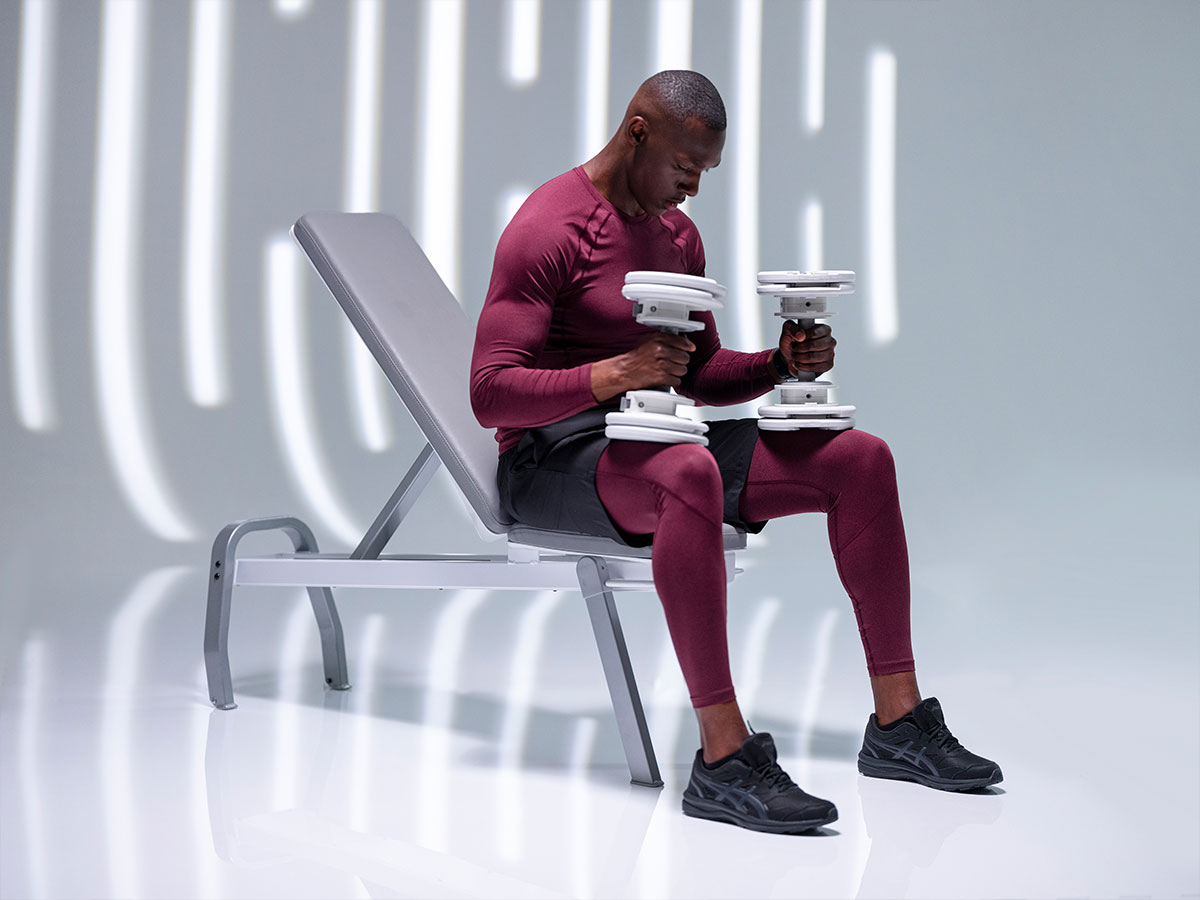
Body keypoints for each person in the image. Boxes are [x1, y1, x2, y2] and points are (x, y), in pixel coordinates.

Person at [469, 70, 1001, 835]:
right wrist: (615, 374)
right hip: (551, 459)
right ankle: (724, 760)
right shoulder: (548, 226)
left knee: (860, 458)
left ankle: (899, 723)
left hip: (653, 440)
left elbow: (703, 376)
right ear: (638, 131)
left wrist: (780, 364)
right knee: (688, 472)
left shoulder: (677, 237)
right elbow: (490, 392)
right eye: (685, 170)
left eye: (705, 175)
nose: (691, 192)